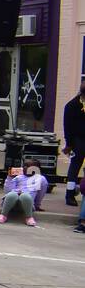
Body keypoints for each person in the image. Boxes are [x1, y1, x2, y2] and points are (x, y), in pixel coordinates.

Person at [62, 78, 85, 207]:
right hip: (78, 141)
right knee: (75, 167)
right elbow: (68, 127)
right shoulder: (72, 105)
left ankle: (79, 190)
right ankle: (70, 194)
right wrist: (69, 144)